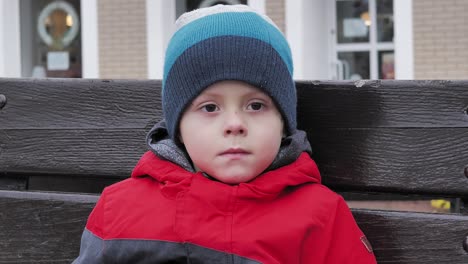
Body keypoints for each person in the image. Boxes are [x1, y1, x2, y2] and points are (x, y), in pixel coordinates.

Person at [73, 4, 377, 263]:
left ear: (284, 122)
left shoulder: (320, 215)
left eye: (256, 106)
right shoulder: (120, 208)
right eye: (209, 108)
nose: (235, 123)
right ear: (178, 126)